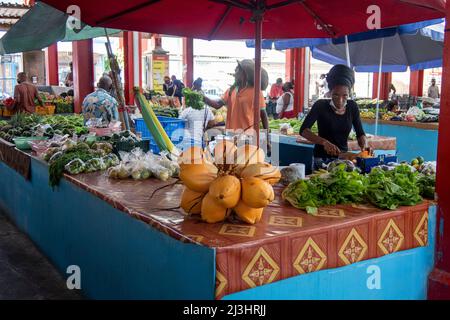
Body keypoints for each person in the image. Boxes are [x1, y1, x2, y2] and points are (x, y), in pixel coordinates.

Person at [299, 64, 367, 170]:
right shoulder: (320, 105)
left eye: (345, 96)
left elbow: (360, 133)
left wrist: (365, 145)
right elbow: (303, 130)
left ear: (349, 93)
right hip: (321, 159)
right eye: (336, 95)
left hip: (343, 158)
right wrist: (324, 142)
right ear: (330, 92)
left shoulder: (352, 106)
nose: (340, 100)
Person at [204, 59, 270, 139]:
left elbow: (263, 115)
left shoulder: (256, 92)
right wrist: (203, 98)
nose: (234, 74)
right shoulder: (231, 90)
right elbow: (217, 105)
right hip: (230, 134)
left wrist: (267, 137)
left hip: (247, 135)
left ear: (244, 73)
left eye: (236, 71)